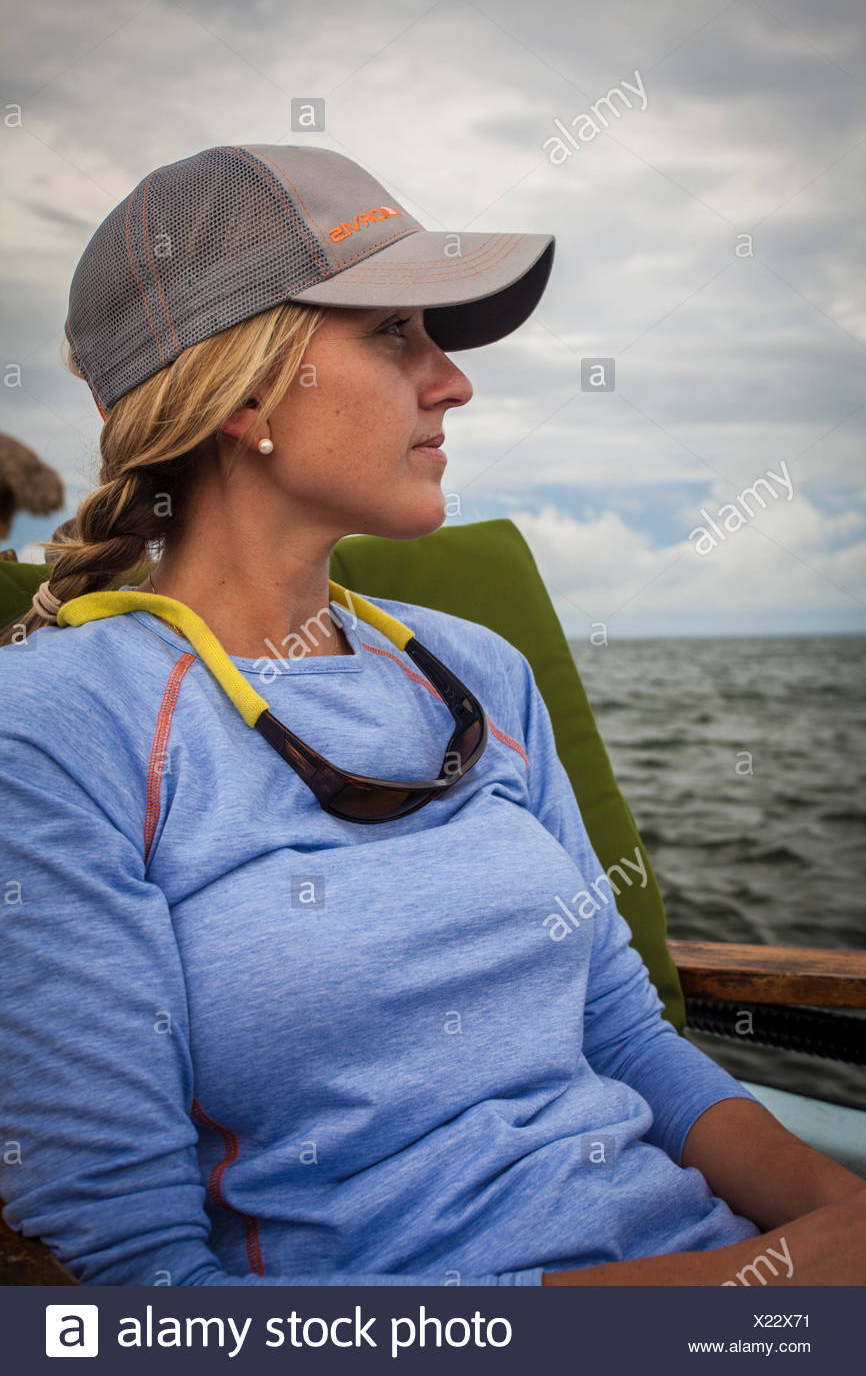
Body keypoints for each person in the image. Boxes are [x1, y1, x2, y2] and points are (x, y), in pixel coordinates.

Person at [0, 143, 863, 1289]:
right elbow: (151, 1290)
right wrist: (765, 1292)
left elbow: (623, 1037)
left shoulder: (475, 672)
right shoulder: (60, 726)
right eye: (392, 333)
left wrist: (833, 1223)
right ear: (242, 389)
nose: (452, 381)